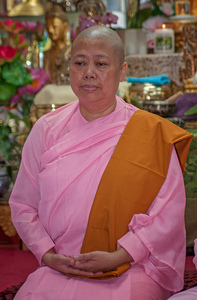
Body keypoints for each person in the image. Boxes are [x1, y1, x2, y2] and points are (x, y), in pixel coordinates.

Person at [9, 25, 193, 300]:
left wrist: (121, 255)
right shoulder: (46, 129)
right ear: (69, 69)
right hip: (61, 264)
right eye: (80, 62)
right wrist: (47, 254)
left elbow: (167, 212)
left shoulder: (151, 133)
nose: (89, 72)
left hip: (132, 267)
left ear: (122, 72)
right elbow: (23, 204)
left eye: (101, 63)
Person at [44, 4, 71, 84]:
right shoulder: (47, 53)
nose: (51, 30)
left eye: (54, 26)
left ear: (65, 27)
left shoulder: (72, 51)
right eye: (48, 27)